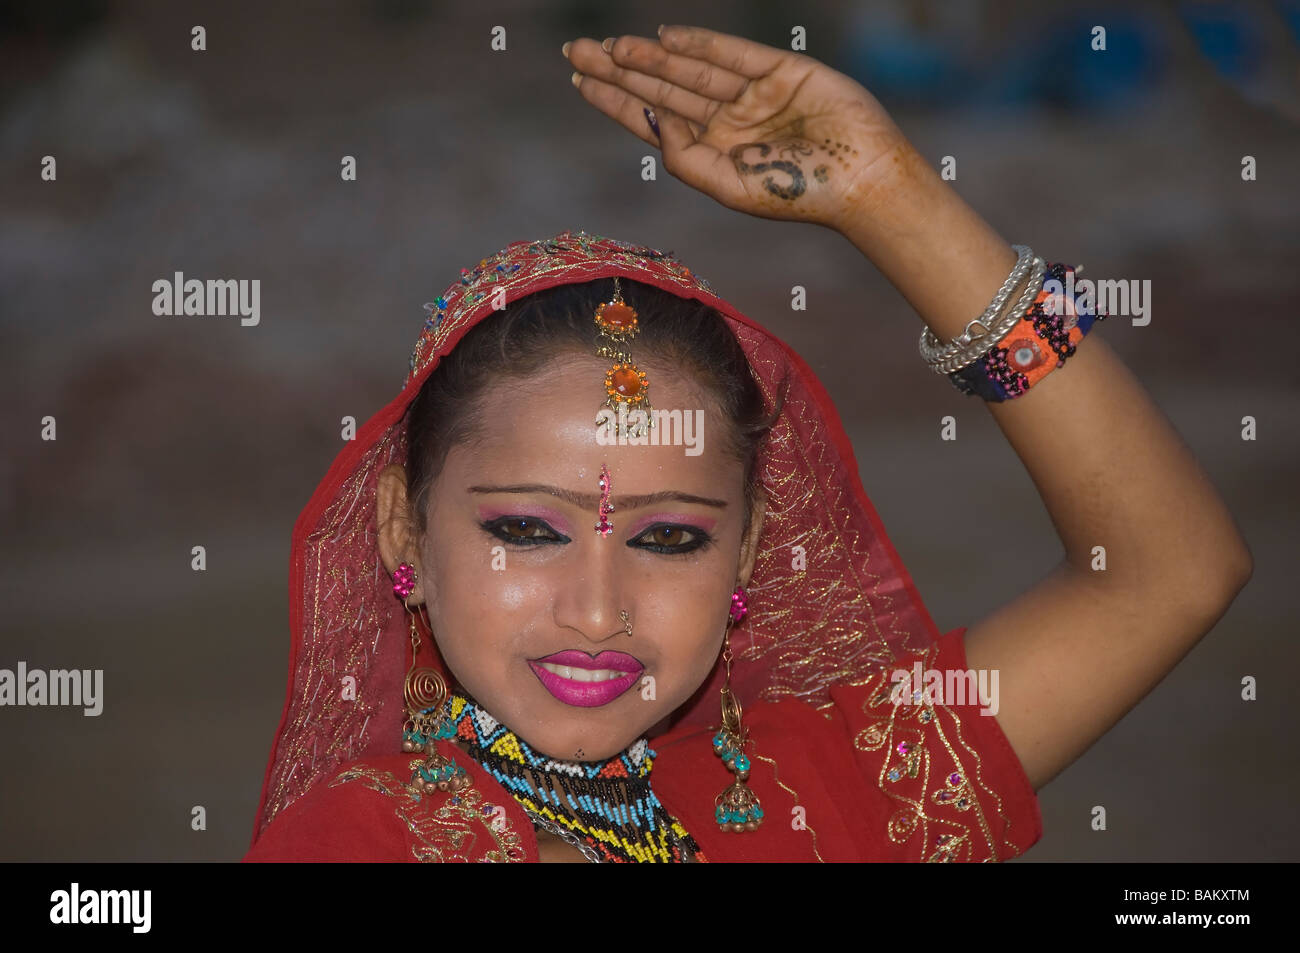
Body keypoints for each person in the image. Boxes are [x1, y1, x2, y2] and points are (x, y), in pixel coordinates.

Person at [243, 25, 1252, 863]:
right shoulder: (364, 838)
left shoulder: (825, 789)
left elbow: (1166, 572)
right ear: (400, 532)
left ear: (752, 545)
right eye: (524, 527)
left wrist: (892, 198)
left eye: (669, 537)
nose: (596, 608)